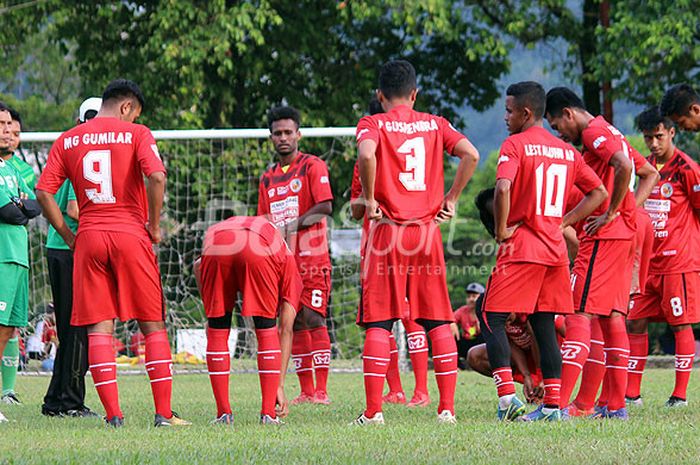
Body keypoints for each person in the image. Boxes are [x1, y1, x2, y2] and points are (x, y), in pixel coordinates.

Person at [35, 79, 190, 428]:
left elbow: (44, 192)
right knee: (152, 324)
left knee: (99, 329)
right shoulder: (136, 134)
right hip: (130, 233)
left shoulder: (68, 139)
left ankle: (113, 416)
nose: (134, 120)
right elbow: (157, 176)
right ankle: (163, 414)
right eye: (135, 114)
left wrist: (66, 234)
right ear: (126, 107)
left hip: (89, 235)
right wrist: (153, 225)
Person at [353, 59, 480, 425]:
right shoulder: (436, 124)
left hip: (388, 231)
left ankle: (374, 412)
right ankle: (447, 410)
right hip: (426, 232)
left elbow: (365, 154)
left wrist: (372, 197)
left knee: (379, 322)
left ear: (380, 96)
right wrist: (451, 198)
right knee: (438, 319)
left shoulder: (372, 123)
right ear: (414, 93)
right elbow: (471, 153)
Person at [483, 81, 607, 422]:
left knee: (490, 315)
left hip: (523, 246)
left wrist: (502, 228)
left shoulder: (515, 144)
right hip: (555, 251)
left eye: (509, 110)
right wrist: (564, 221)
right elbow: (598, 193)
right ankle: (553, 407)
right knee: (542, 323)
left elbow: (503, 186)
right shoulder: (567, 150)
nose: (505, 117)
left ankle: (507, 398)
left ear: (525, 112)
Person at [545, 87, 659, 420]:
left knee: (578, 314)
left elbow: (624, 166)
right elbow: (650, 173)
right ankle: (616, 407)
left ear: (568, 113)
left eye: (556, 125)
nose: (559, 133)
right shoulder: (613, 132)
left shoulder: (595, 131)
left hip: (604, 238)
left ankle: (557, 406)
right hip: (625, 236)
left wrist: (611, 213)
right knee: (612, 319)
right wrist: (627, 212)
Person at [350, 96, 431, 407]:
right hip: (418, 240)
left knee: (382, 322)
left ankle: (398, 390)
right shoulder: (418, 143)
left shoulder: (366, 157)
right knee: (414, 317)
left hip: (380, 245)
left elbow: (358, 210)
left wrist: (365, 200)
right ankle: (420, 391)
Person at [257, 106, 334, 406]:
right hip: (283, 262)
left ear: (298, 134)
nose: (283, 138)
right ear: (271, 138)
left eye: (289, 132)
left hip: (313, 259)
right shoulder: (267, 178)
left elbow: (325, 206)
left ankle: (323, 390)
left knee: (314, 317)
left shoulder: (313, 166)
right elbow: (263, 219)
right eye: (278, 133)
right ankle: (306, 390)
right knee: (295, 321)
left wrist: (289, 225)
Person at [625, 106, 700, 408]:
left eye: (658, 136)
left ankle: (679, 396)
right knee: (635, 322)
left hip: (678, 262)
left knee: (680, 325)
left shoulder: (688, 168)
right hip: (646, 263)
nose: (654, 144)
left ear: (672, 132)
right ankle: (632, 394)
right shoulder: (643, 169)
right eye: (647, 138)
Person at [194, 216, 302, 425]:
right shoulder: (288, 261)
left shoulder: (254, 225)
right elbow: (285, 330)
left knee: (217, 329)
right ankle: (267, 415)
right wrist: (278, 384)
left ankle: (223, 414)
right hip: (258, 248)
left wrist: (210, 307)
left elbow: (199, 265)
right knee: (266, 329)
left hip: (216, 240)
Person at [41, 97, 102, 418]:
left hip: (58, 249)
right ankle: (72, 401)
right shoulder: (86, 156)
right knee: (78, 330)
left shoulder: (68, 150)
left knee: (68, 330)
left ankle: (55, 400)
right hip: (72, 250)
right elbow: (75, 208)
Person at [0, 102, 42, 423]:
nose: (7, 132)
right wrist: (19, 205)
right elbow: (11, 212)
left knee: (10, 328)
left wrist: (20, 204)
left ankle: (7, 392)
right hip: (2, 255)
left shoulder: (15, 169)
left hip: (18, 256)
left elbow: (35, 205)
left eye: (10, 126)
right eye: (1, 125)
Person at [454, 282, 484, 368]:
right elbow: (451, 319)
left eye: (474, 296)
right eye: (469, 297)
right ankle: (459, 366)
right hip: (466, 343)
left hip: (480, 343)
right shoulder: (463, 310)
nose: (471, 299)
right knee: (451, 336)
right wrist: (453, 324)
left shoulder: (485, 312)